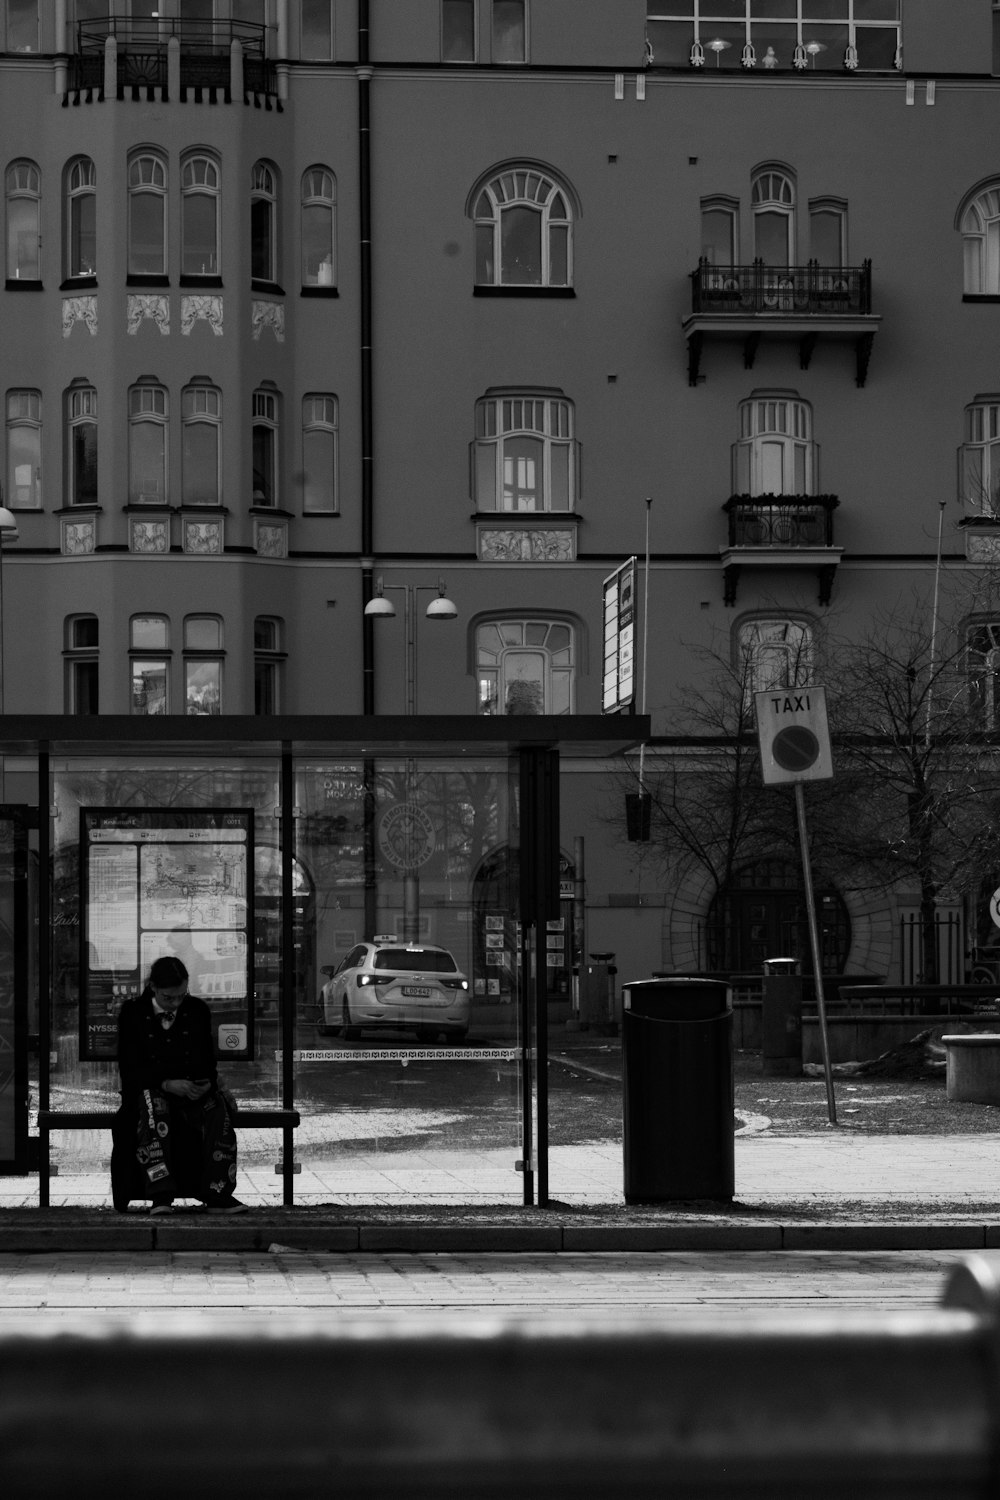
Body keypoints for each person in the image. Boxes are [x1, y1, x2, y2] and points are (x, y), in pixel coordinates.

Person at [116, 955, 248, 1215]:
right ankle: (161, 1193)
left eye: (181, 995)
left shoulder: (196, 1009)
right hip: (151, 1089)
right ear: (153, 987)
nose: (175, 1003)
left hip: (190, 1090)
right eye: (168, 997)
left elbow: (206, 1060)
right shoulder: (133, 1013)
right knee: (155, 1110)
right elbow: (130, 1069)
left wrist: (204, 1083)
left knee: (217, 1109)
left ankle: (218, 1191)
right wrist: (167, 1083)